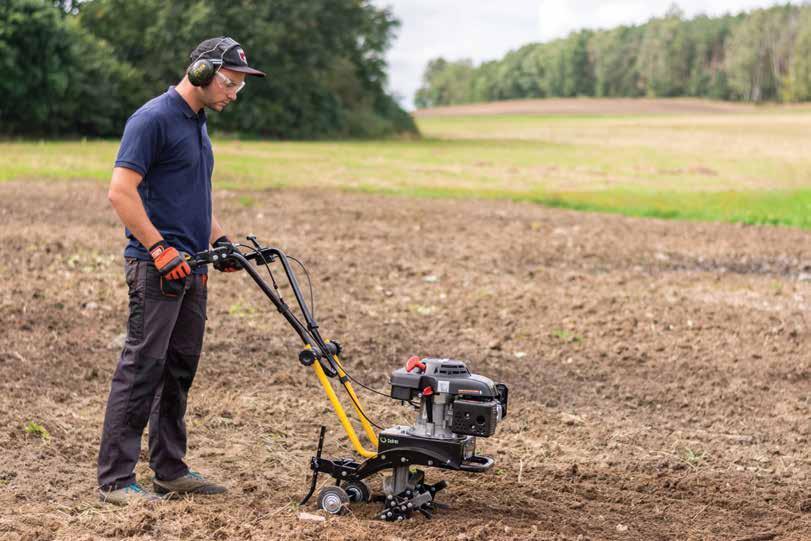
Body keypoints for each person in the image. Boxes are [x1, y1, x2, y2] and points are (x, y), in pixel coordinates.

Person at [97, 37, 266, 505]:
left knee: (178, 369)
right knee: (142, 368)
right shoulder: (152, 119)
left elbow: (193, 197)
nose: (234, 92)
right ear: (200, 72)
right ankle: (116, 479)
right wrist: (159, 248)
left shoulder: (197, 123)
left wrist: (222, 242)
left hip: (193, 267)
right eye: (229, 82)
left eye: (240, 87)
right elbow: (120, 192)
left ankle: (169, 469)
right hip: (157, 268)